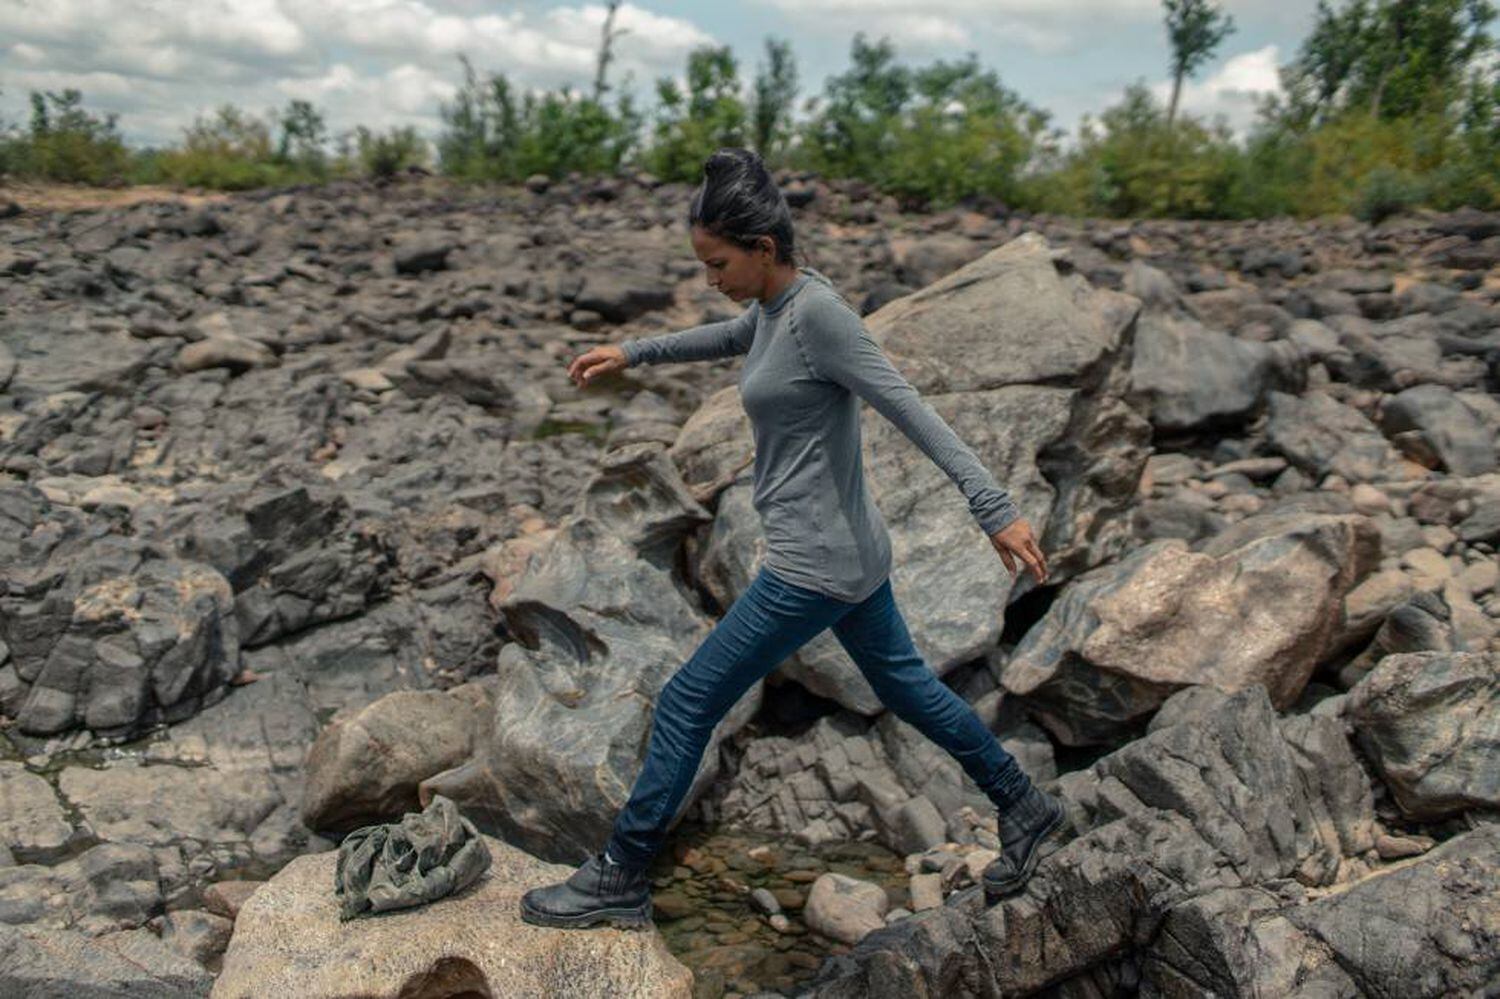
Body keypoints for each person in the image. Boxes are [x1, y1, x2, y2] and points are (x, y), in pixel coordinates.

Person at [519, 148, 1064, 931]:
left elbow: (910, 407)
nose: (712, 277)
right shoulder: (775, 310)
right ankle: (1024, 805)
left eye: (718, 263)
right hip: (849, 555)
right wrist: (632, 351)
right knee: (908, 688)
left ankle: (620, 874)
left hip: (814, 566)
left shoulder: (820, 316)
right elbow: (726, 335)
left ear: (764, 250)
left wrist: (994, 506)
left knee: (684, 703)